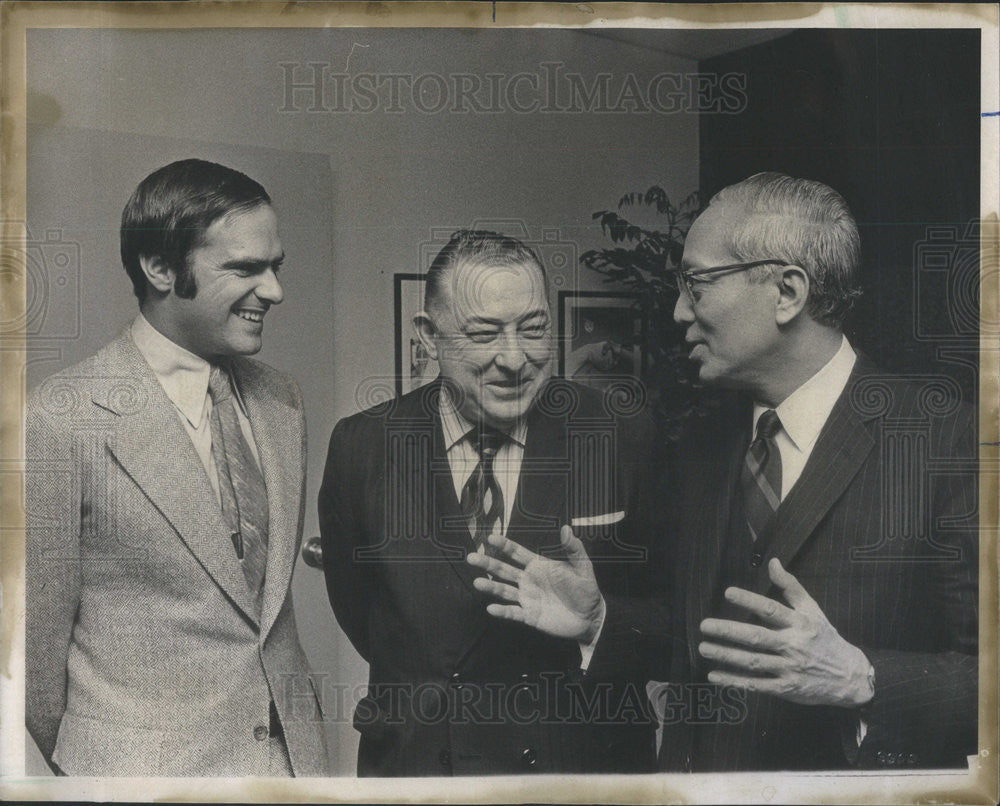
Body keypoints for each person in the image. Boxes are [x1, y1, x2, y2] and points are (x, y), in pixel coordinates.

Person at [473, 173, 979, 770]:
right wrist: (600, 621)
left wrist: (861, 678)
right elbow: (699, 643)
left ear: (787, 291)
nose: (678, 310)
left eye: (697, 283)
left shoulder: (952, 442)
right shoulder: (701, 442)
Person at [318, 230, 663, 775]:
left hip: (579, 774)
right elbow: (362, 613)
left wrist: (599, 621)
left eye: (534, 330)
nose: (515, 359)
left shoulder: (619, 431)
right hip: (424, 772)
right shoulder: (363, 445)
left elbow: (677, 619)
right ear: (429, 337)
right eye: (483, 334)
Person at [25, 159, 329, 776]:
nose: (274, 291)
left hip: (289, 772)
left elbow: (266, 611)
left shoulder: (283, 400)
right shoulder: (62, 417)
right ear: (160, 268)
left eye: (276, 267)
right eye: (245, 269)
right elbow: (33, 659)